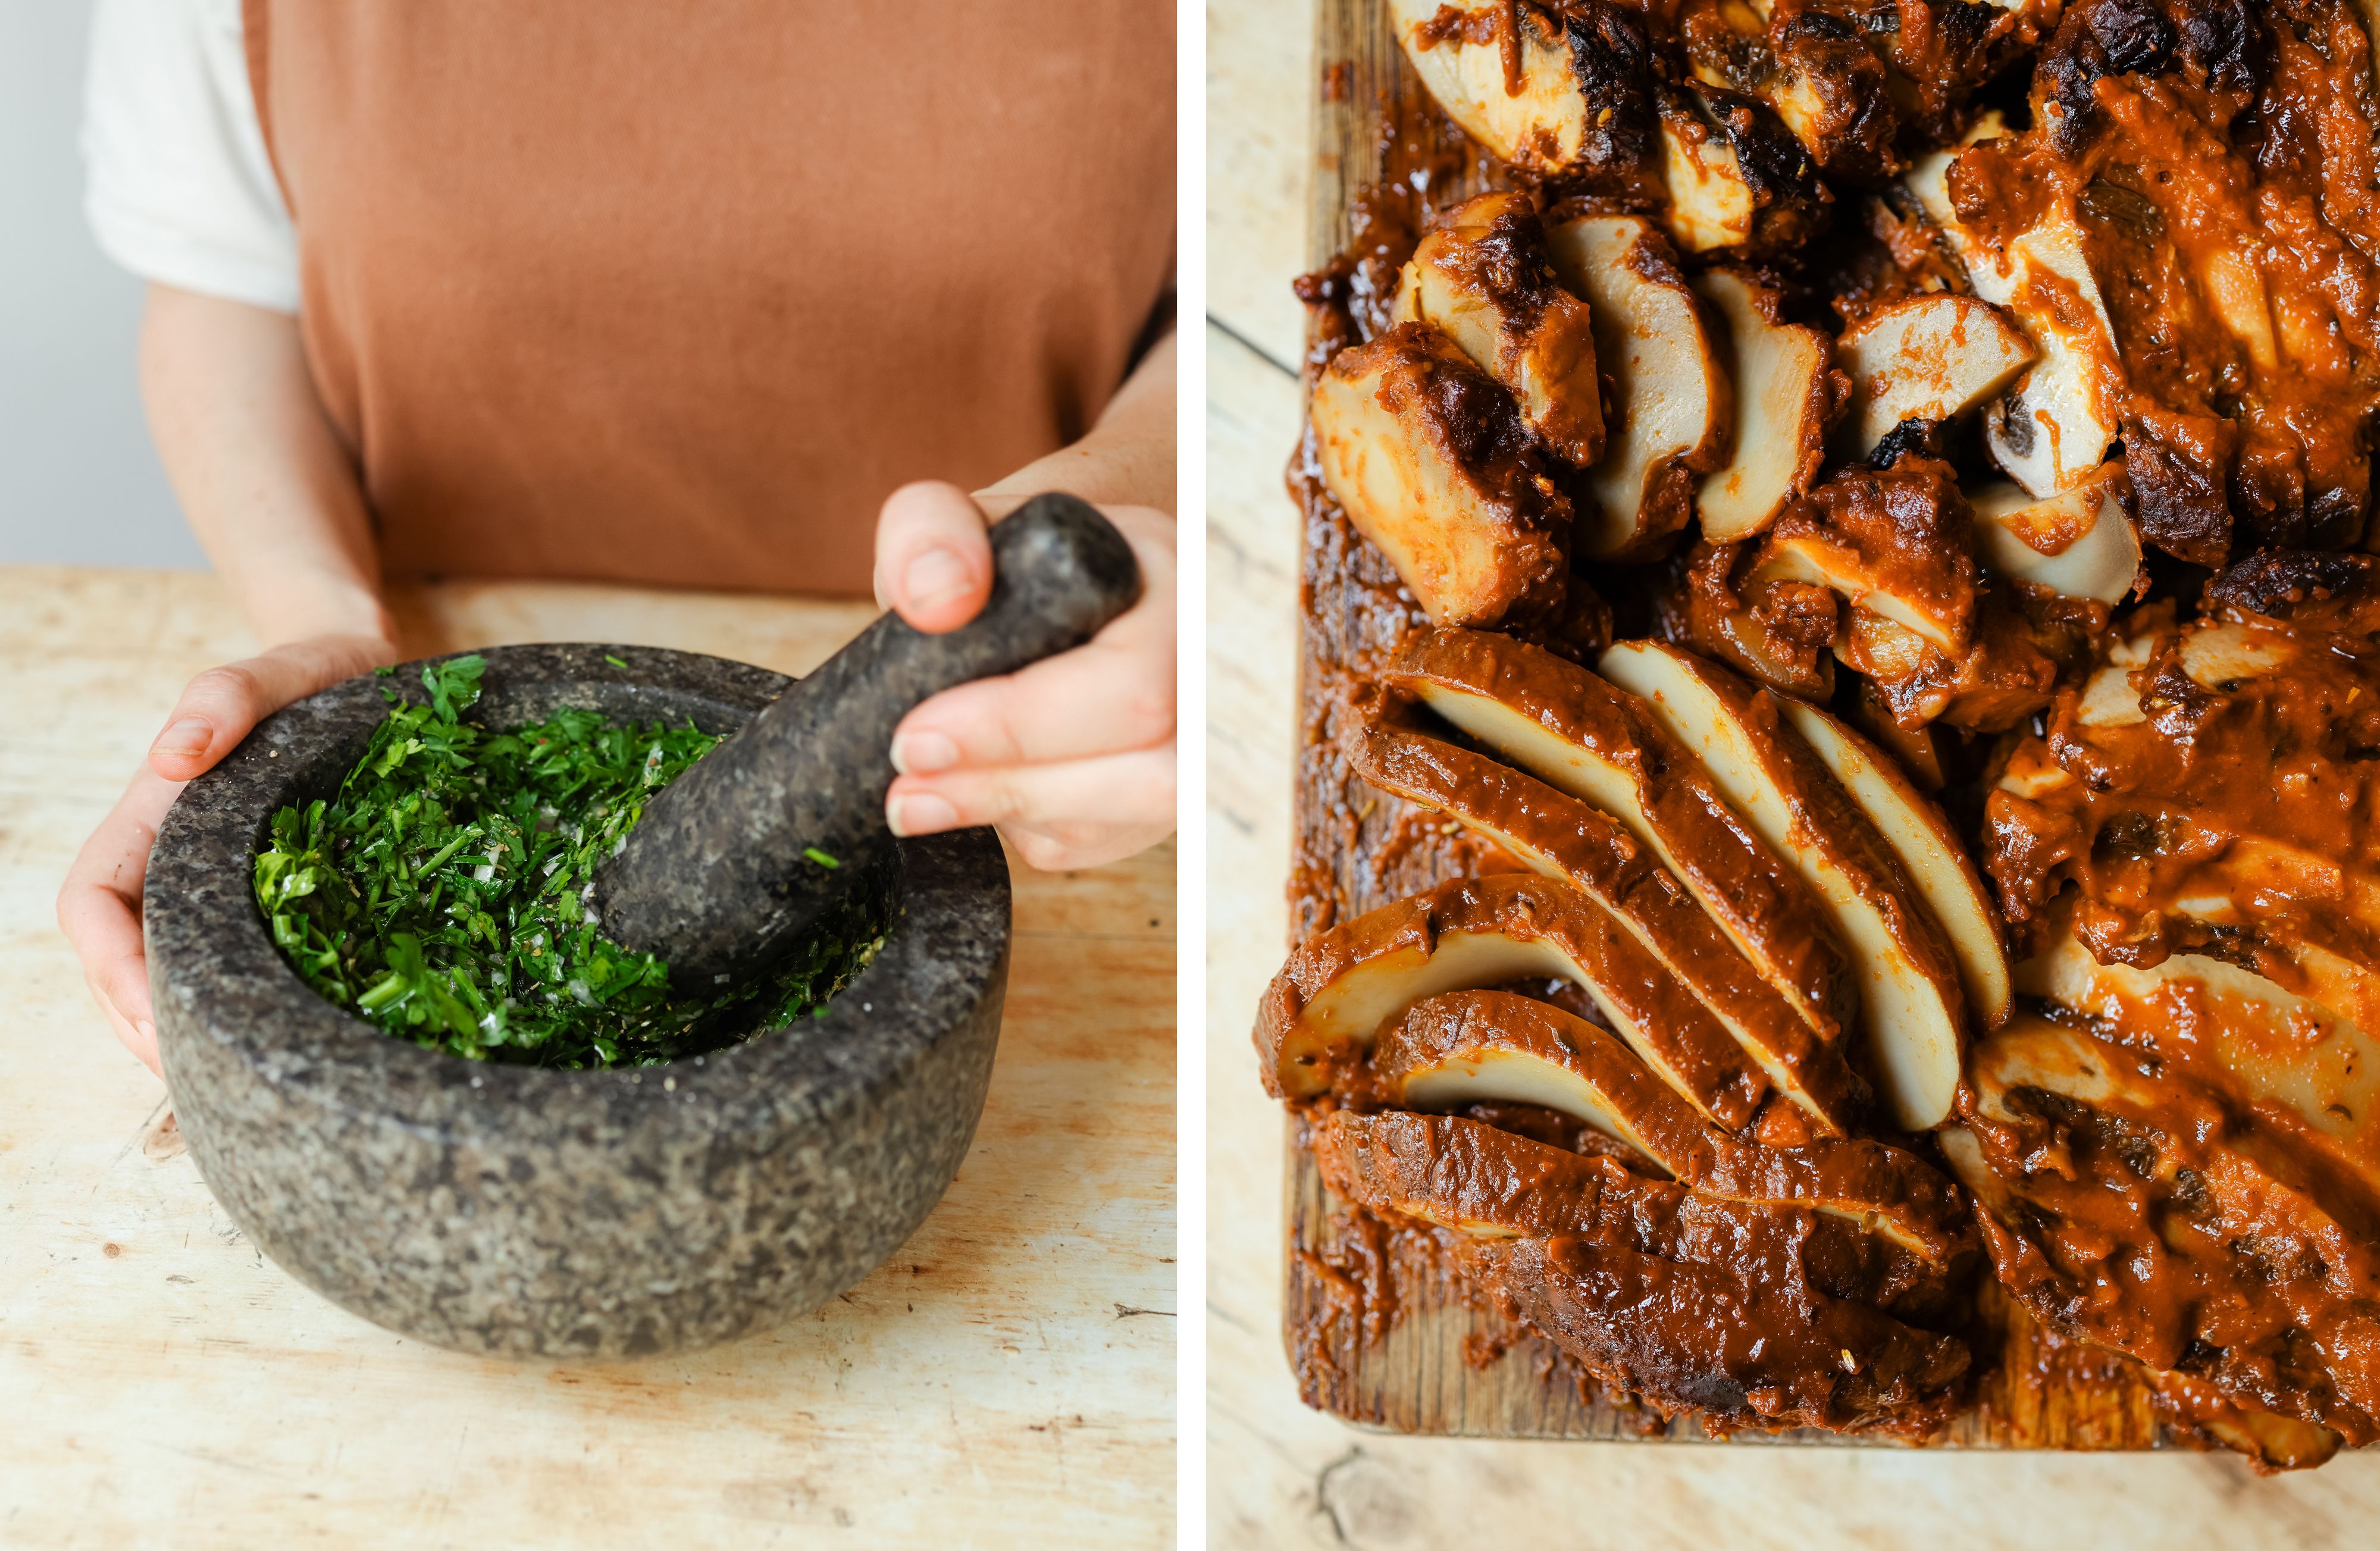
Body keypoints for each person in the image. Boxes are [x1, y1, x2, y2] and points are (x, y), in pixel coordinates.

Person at [57, 0, 1177, 1076]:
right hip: (442, 628)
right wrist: (321, 614)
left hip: (1044, 746)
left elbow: (1244, 303)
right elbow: (227, 285)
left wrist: (1124, 492)